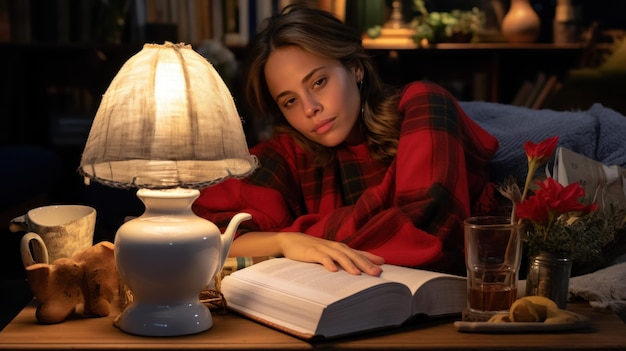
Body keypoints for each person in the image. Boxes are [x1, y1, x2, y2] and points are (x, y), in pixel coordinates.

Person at [193, 5, 500, 277]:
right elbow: (203, 239)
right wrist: (285, 242)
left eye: (318, 82)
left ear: (354, 67)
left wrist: (308, 240)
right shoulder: (290, 152)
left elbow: (428, 231)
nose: (310, 108)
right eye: (289, 101)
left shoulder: (421, 104)